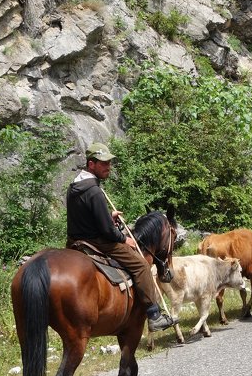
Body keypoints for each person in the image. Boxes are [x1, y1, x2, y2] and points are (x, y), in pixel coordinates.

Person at [66, 141, 178, 332]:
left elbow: (85, 218)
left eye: (109, 163)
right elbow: (107, 232)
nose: (108, 167)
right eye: (103, 163)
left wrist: (108, 217)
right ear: (91, 164)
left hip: (75, 242)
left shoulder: (74, 188)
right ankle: (154, 315)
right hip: (100, 243)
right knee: (142, 265)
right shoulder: (94, 191)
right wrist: (123, 238)